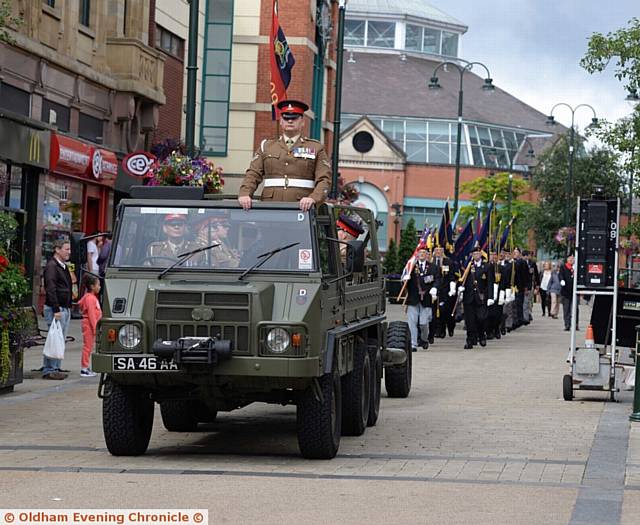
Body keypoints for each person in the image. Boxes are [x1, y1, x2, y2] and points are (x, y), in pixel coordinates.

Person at [238, 100, 331, 212]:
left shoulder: (316, 148)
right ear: (281, 121)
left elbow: (324, 180)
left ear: (302, 122)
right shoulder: (266, 146)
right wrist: (245, 193)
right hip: (271, 208)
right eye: (286, 118)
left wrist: (313, 198)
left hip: (302, 210)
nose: (290, 121)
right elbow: (253, 174)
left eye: (295, 118)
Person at [42, 239, 73, 380]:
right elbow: (51, 288)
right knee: (54, 337)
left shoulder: (63, 266)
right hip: (57, 307)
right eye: (66, 249)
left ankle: (55, 366)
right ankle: (50, 369)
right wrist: (56, 309)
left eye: (69, 249)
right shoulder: (52, 266)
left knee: (59, 338)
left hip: (64, 306)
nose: (69, 252)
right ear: (57, 249)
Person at [403, 247, 435, 351]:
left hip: (426, 299)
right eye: (420, 252)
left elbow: (437, 279)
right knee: (412, 322)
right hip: (413, 298)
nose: (422, 254)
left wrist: (435, 288)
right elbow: (403, 279)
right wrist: (405, 279)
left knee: (423, 323)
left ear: (427, 255)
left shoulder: (432, 267)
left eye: (424, 253)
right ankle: (413, 344)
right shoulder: (411, 266)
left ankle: (424, 339)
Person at [460, 242, 488, 349]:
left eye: (478, 253)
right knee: (469, 321)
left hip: (480, 297)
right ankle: (470, 340)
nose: (476, 255)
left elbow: (489, 282)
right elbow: (462, 279)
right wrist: (460, 287)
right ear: (472, 255)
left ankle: (481, 335)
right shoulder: (467, 266)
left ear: (481, 254)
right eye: (474, 253)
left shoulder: (486, 266)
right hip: (469, 297)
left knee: (481, 318)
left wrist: (489, 296)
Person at [77, 274, 101, 377]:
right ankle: (84, 368)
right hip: (89, 325)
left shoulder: (90, 298)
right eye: (98, 285)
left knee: (89, 346)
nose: (99, 287)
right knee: (88, 347)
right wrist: (95, 327)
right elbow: (91, 314)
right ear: (92, 286)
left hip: (89, 325)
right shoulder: (90, 299)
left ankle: (86, 367)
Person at [431, 246, 457, 339]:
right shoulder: (431, 262)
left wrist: (452, 288)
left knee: (445, 311)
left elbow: (452, 276)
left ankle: (449, 327)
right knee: (435, 311)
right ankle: (439, 331)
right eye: (436, 250)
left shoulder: (448, 262)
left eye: (440, 250)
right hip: (434, 291)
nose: (438, 252)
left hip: (445, 290)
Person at [559, 254, 578, 331]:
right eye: (570, 258)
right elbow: (560, 275)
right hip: (566, 291)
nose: (571, 259)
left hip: (574, 291)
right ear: (567, 259)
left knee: (575, 309)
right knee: (566, 309)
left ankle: (576, 324)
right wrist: (562, 280)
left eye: (572, 258)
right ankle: (567, 324)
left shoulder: (576, 267)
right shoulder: (563, 267)